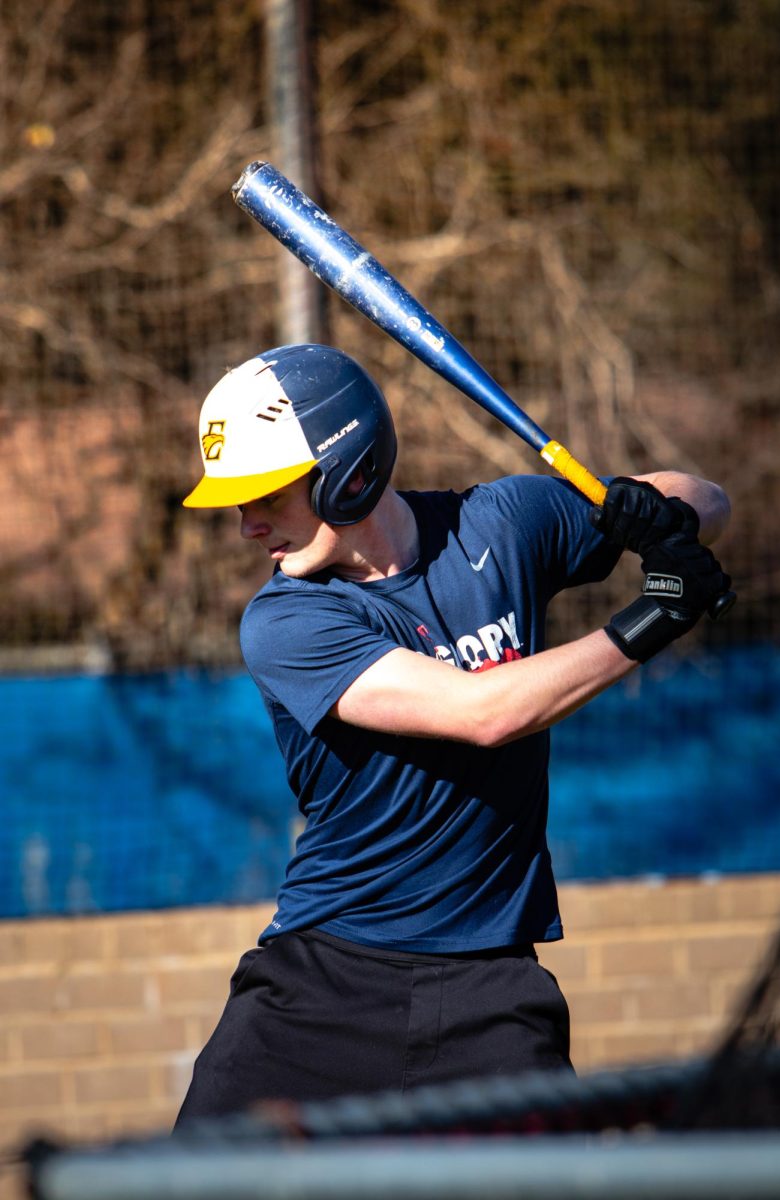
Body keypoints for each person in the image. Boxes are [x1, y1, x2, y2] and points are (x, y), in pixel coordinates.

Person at [175, 343, 732, 1124]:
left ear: (349, 470)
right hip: (326, 985)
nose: (247, 525)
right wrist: (644, 624)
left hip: (492, 989)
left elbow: (708, 497)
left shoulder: (500, 524)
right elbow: (484, 713)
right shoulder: (288, 621)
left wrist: (658, 512)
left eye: (268, 494)